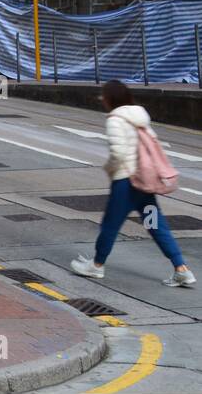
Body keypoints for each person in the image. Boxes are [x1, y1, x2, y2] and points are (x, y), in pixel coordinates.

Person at [71, 81, 195, 287]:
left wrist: (109, 168)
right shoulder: (140, 116)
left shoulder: (116, 120)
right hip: (144, 184)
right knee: (155, 225)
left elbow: (118, 153)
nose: (101, 99)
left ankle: (97, 265)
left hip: (126, 184)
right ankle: (181, 268)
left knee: (111, 224)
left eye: (103, 96)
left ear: (110, 99)